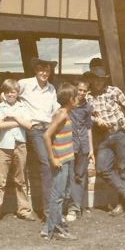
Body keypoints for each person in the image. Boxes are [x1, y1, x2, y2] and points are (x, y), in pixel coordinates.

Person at [84, 67, 125, 217]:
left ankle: (122, 204)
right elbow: (85, 116)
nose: (99, 81)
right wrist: (96, 119)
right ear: (91, 80)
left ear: (105, 79)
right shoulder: (88, 97)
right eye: (96, 78)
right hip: (106, 137)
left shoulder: (114, 91)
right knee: (102, 168)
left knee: (124, 168)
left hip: (121, 133)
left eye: (101, 78)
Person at [17, 56, 60, 221]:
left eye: (47, 70)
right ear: (35, 70)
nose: (45, 73)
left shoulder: (51, 89)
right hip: (34, 130)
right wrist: (17, 115)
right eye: (42, 69)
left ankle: (56, 208)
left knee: (58, 164)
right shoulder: (24, 84)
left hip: (50, 129)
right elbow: (6, 96)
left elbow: (56, 110)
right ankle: (48, 212)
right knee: (47, 165)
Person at [0, 79, 35, 224]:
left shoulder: (23, 107)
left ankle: (24, 210)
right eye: (7, 92)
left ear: (17, 93)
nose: (10, 95)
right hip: (4, 146)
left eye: (12, 92)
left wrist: (14, 116)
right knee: (0, 181)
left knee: (20, 180)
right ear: (4, 93)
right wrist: (19, 122)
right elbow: (1, 125)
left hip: (20, 145)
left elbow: (28, 125)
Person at [41, 83, 79, 240]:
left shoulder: (66, 113)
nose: (78, 101)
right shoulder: (61, 115)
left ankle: (47, 227)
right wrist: (52, 158)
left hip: (68, 159)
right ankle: (56, 230)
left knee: (66, 192)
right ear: (71, 99)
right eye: (77, 98)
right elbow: (46, 135)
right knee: (58, 195)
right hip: (61, 161)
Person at [65, 78, 94, 222]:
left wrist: (91, 149)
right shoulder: (68, 104)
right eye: (79, 90)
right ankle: (66, 206)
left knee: (79, 176)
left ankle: (74, 208)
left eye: (84, 90)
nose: (81, 93)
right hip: (69, 145)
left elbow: (89, 128)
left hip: (83, 145)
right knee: (68, 175)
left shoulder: (87, 107)